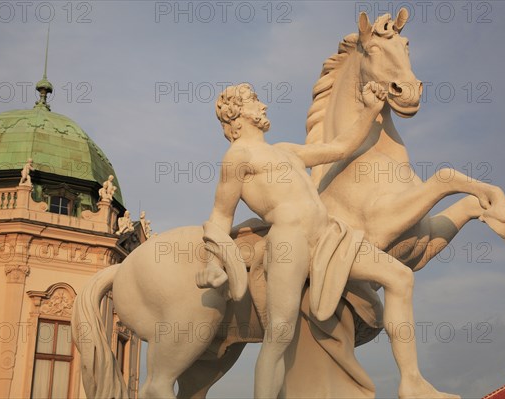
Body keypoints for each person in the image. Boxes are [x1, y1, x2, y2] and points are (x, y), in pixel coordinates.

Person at [196, 83, 459, 399]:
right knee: (280, 333)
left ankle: (412, 382)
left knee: (400, 277)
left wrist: (370, 109)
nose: (263, 105)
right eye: (255, 101)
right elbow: (221, 214)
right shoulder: (237, 157)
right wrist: (214, 262)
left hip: (328, 235)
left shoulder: (286, 150)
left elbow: (341, 148)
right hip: (288, 241)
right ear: (238, 114)